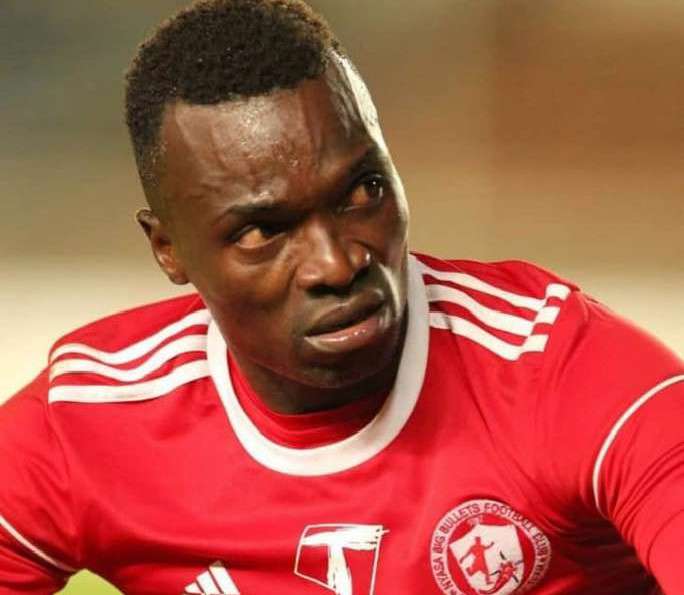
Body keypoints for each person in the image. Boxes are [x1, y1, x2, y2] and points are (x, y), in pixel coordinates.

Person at [0, 1, 682, 593]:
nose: (336, 263)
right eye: (263, 231)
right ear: (168, 249)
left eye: (362, 191)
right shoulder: (88, 424)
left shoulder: (559, 372)